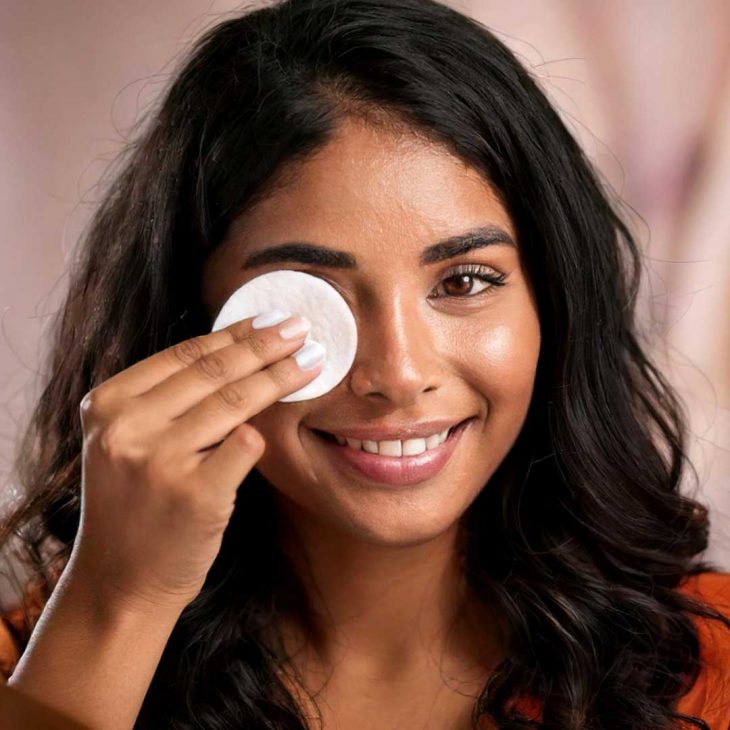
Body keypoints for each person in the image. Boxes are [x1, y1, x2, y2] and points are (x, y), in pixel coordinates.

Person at [0, 0, 729, 727]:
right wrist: (116, 604)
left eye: (465, 281)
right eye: (310, 299)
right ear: (187, 322)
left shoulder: (703, 663)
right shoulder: (45, 666)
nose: (399, 373)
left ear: (554, 302)